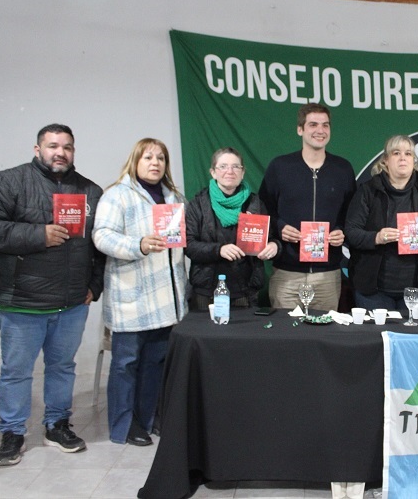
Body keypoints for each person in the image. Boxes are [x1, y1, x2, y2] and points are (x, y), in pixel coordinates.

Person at [0, 123, 103, 466]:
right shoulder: (8, 182)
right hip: (22, 302)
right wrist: (39, 235)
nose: (60, 152)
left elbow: (100, 244)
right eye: (53, 146)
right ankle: (12, 431)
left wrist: (94, 286)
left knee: (62, 368)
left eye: (67, 147)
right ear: (38, 149)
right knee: (16, 371)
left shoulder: (90, 191)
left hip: (72, 303)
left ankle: (57, 424)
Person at [93, 138, 188, 447]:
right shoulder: (116, 195)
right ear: (135, 161)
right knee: (126, 365)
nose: (155, 163)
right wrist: (138, 245)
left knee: (155, 364)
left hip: (167, 299)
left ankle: (147, 418)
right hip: (132, 297)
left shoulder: (174, 198)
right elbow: (101, 236)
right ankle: (123, 425)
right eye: (148, 157)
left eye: (160, 158)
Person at [258, 103, 356, 312]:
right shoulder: (280, 167)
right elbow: (263, 210)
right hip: (286, 274)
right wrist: (280, 227)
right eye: (313, 124)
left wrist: (342, 231)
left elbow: (353, 214)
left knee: (324, 330)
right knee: (286, 331)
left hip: (327, 275)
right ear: (300, 129)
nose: (320, 130)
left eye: (325, 125)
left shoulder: (343, 169)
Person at [344, 135, 418, 309]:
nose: (402, 158)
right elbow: (351, 232)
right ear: (385, 160)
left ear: (413, 160)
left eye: (408, 153)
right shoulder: (368, 190)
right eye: (396, 153)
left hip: (417, 288)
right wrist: (377, 237)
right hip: (374, 290)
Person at [186, 147, 279, 311]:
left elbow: (272, 238)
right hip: (206, 291)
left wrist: (274, 246)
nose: (230, 171)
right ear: (213, 172)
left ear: (242, 173)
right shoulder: (198, 204)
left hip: (245, 291)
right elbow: (188, 245)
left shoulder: (255, 204)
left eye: (236, 166)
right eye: (223, 166)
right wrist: (219, 250)